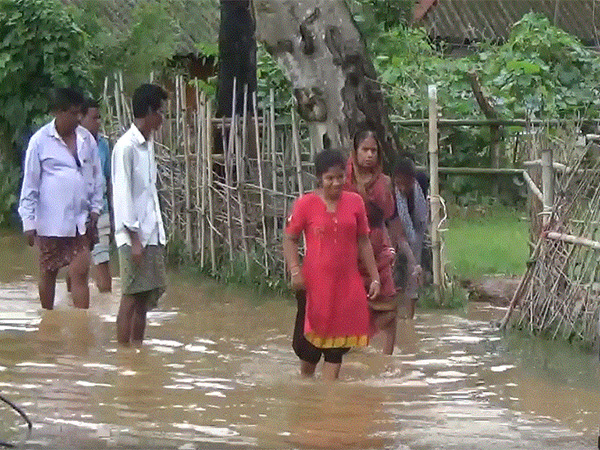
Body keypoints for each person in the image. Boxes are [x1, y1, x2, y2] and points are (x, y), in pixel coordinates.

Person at [283, 149, 381, 380]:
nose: (336, 183)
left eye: (340, 178)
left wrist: (375, 277)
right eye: (329, 178)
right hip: (314, 286)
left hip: (346, 285)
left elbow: (364, 240)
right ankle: (310, 400)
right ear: (319, 178)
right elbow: (290, 238)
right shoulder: (305, 204)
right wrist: (295, 271)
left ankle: (330, 401)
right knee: (308, 348)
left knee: (336, 350)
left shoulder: (355, 202)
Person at [18, 87, 103, 310]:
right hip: (50, 223)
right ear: (57, 112)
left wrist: (96, 209)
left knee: (80, 273)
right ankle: (47, 319)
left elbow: (96, 177)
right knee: (48, 272)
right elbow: (30, 185)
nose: (77, 119)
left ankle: (81, 329)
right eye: (72, 114)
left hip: (81, 222)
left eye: (79, 114)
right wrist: (29, 222)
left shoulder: (87, 140)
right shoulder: (40, 142)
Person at [112, 83, 168, 346]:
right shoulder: (126, 148)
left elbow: (149, 192)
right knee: (130, 296)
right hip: (133, 235)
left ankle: (137, 350)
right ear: (147, 112)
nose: (162, 118)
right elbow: (123, 196)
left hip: (151, 231)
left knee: (144, 298)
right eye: (160, 112)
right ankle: (124, 355)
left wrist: (155, 234)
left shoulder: (148, 146)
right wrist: (134, 239)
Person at [344, 129, 398, 355]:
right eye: (364, 150)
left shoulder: (384, 182)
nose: (369, 155)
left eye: (373, 150)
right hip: (350, 247)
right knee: (350, 306)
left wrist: (393, 247)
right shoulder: (343, 180)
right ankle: (349, 352)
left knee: (388, 309)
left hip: (377, 246)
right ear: (355, 152)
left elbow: (390, 216)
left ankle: (387, 358)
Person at [78, 98, 113, 293]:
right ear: (81, 118)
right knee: (76, 267)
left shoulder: (104, 146)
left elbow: (108, 180)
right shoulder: (72, 143)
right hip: (77, 213)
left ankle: (106, 312)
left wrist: (112, 214)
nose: (98, 122)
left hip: (101, 210)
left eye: (99, 118)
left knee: (102, 262)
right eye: (94, 118)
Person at [391, 157, 429, 320]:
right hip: (394, 228)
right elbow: (398, 228)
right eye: (398, 183)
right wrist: (412, 258)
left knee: (414, 272)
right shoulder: (392, 193)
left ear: (412, 181)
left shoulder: (421, 182)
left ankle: (410, 318)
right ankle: (392, 313)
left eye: (405, 184)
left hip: (417, 227)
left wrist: (415, 261)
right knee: (395, 268)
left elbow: (421, 220)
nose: (401, 188)